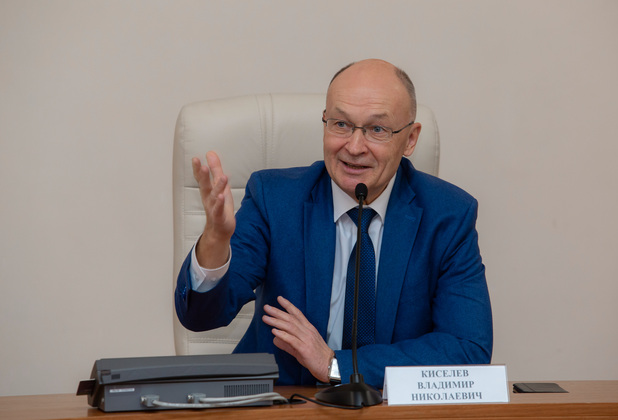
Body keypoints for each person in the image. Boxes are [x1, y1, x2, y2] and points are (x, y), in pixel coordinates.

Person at [175, 59, 492, 387]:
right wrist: (215, 242)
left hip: (387, 408)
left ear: (410, 139)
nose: (354, 147)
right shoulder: (274, 199)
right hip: (282, 402)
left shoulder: (449, 215)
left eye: (377, 130)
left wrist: (334, 365)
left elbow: (468, 350)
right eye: (341, 124)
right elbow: (201, 316)